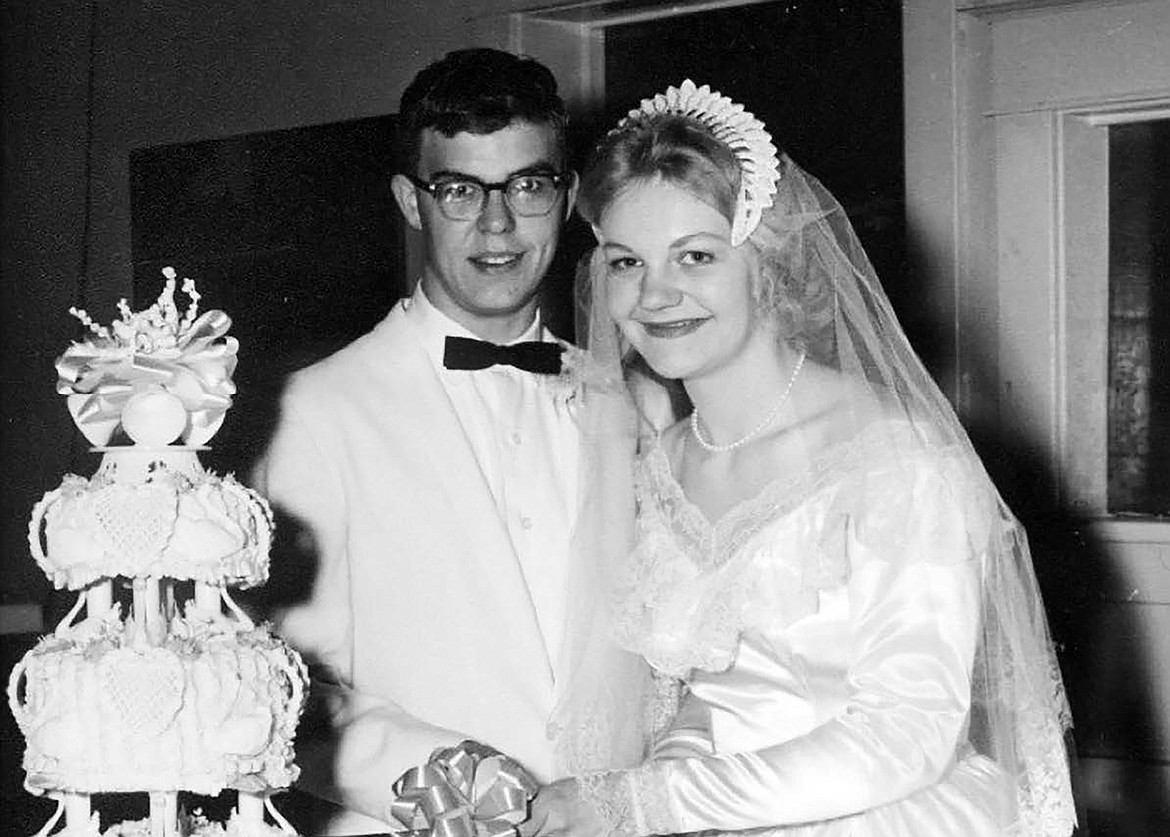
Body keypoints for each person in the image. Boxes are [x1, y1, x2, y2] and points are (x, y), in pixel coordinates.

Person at [522, 81, 1077, 836]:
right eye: (625, 262)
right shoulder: (669, 461)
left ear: (766, 262)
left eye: (695, 255)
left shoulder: (890, 459)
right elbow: (709, 691)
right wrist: (665, 778)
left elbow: (908, 733)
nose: (656, 294)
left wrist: (652, 802)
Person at [253, 48, 648, 835]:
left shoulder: (625, 403)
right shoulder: (318, 407)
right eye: (461, 190)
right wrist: (443, 777)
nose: (497, 224)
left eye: (527, 186)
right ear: (411, 201)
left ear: (566, 199)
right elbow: (281, 688)